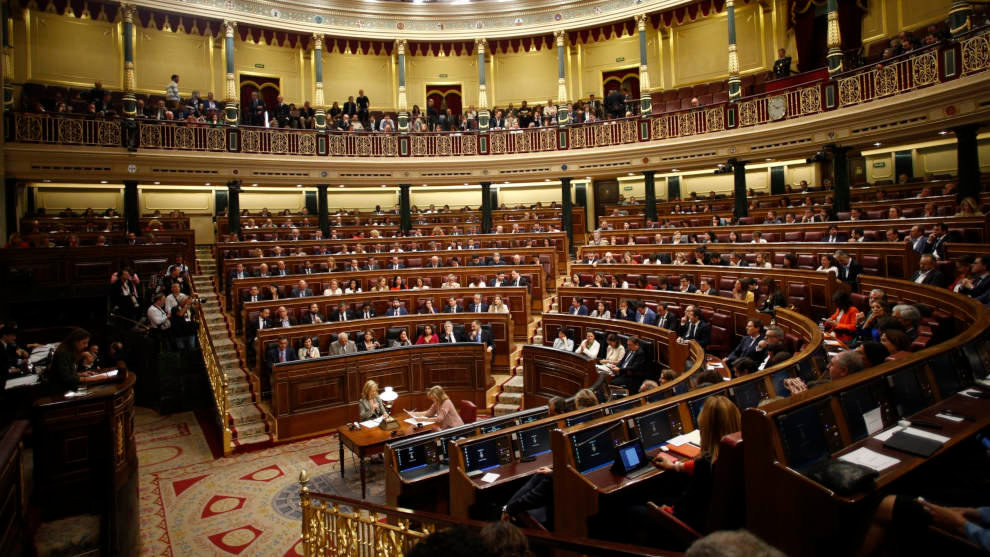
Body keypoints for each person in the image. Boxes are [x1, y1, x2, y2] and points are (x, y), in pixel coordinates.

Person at [44, 329, 101, 394]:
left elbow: (67, 373)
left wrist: (80, 374)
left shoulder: (70, 351)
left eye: (87, 343)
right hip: (60, 391)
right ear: (75, 341)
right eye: (84, 343)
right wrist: (94, 378)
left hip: (66, 388)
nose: (86, 346)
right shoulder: (63, 353)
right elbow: (67, 378)